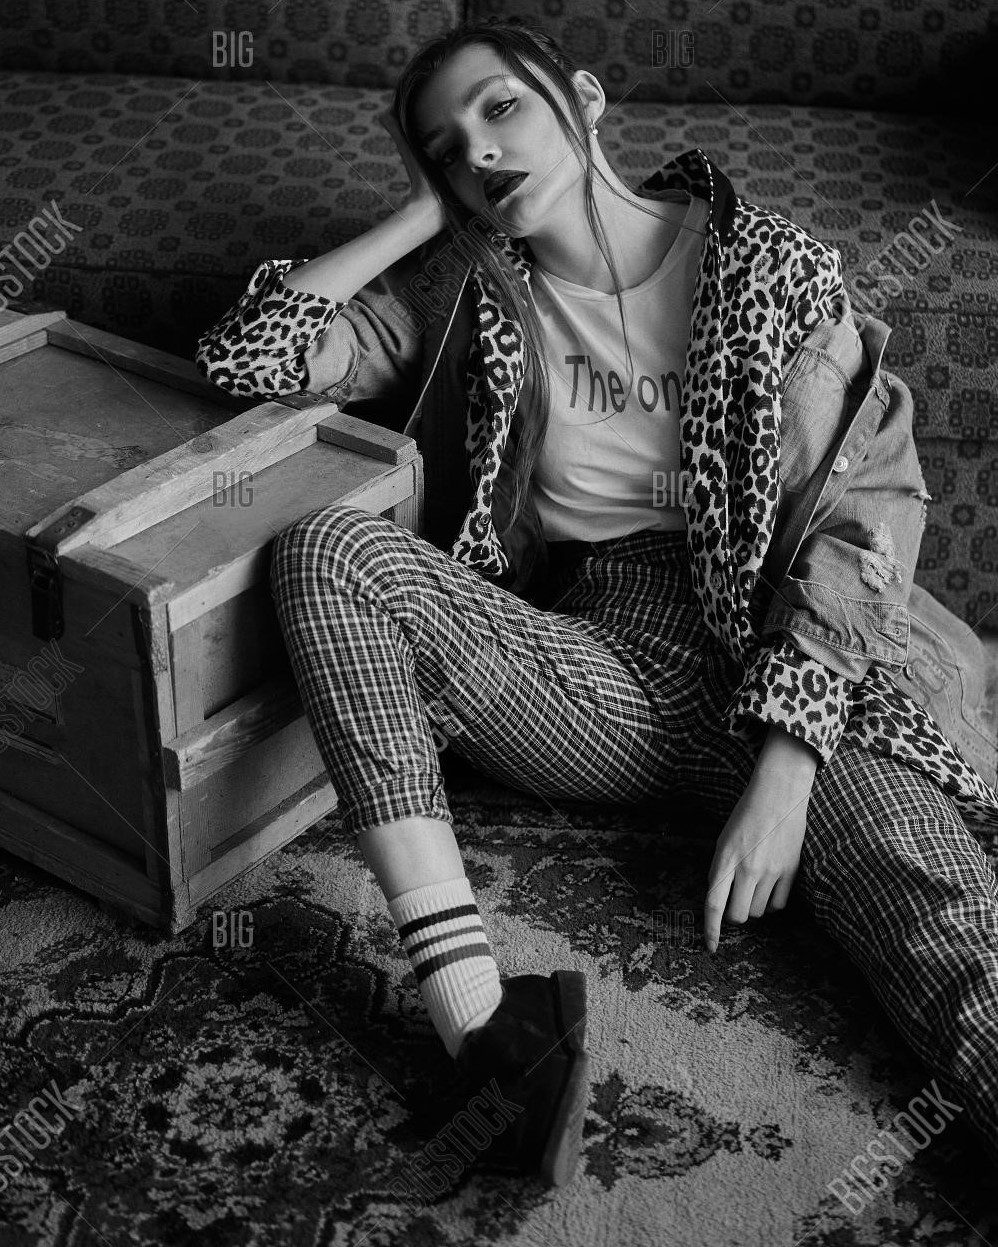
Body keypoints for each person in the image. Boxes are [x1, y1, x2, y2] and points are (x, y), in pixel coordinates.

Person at [196, 16, 998, 1188]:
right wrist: (421, 216)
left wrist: (785, 768)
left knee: (946, 931)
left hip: (789, 654)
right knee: (328, 550)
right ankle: (485, 1026)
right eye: (445, 146)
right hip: (603, 665)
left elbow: (863, 514)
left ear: (580, 97)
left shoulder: (773, 266)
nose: (478, 148)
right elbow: (247, 357)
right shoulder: (459, 294)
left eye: (500, 107)